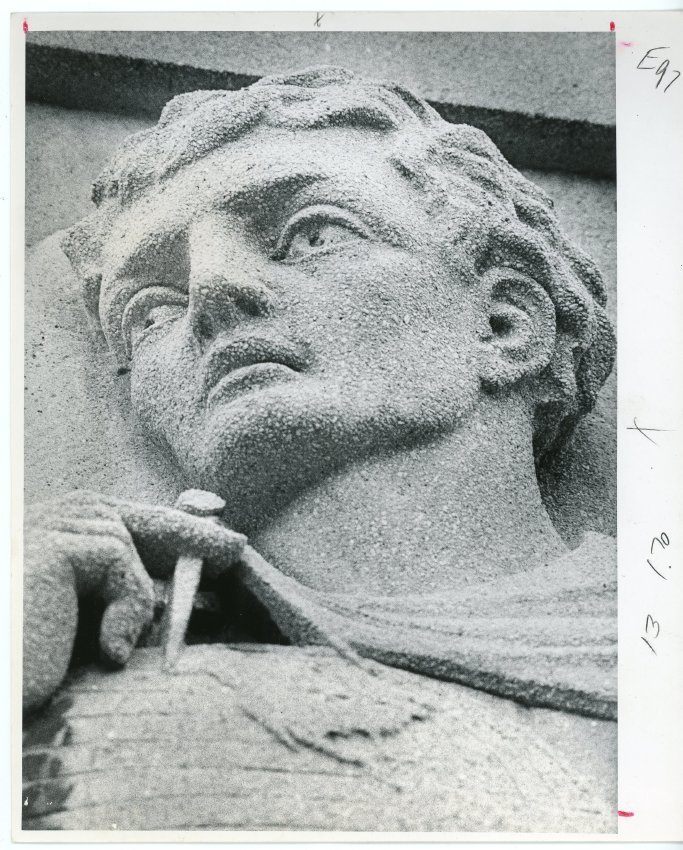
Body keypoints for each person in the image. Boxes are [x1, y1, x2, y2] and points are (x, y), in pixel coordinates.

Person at [23, 67, 616, 736]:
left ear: (504, 323)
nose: (213, 291)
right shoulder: (102, 636)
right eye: (153, 307)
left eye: (313, 235)